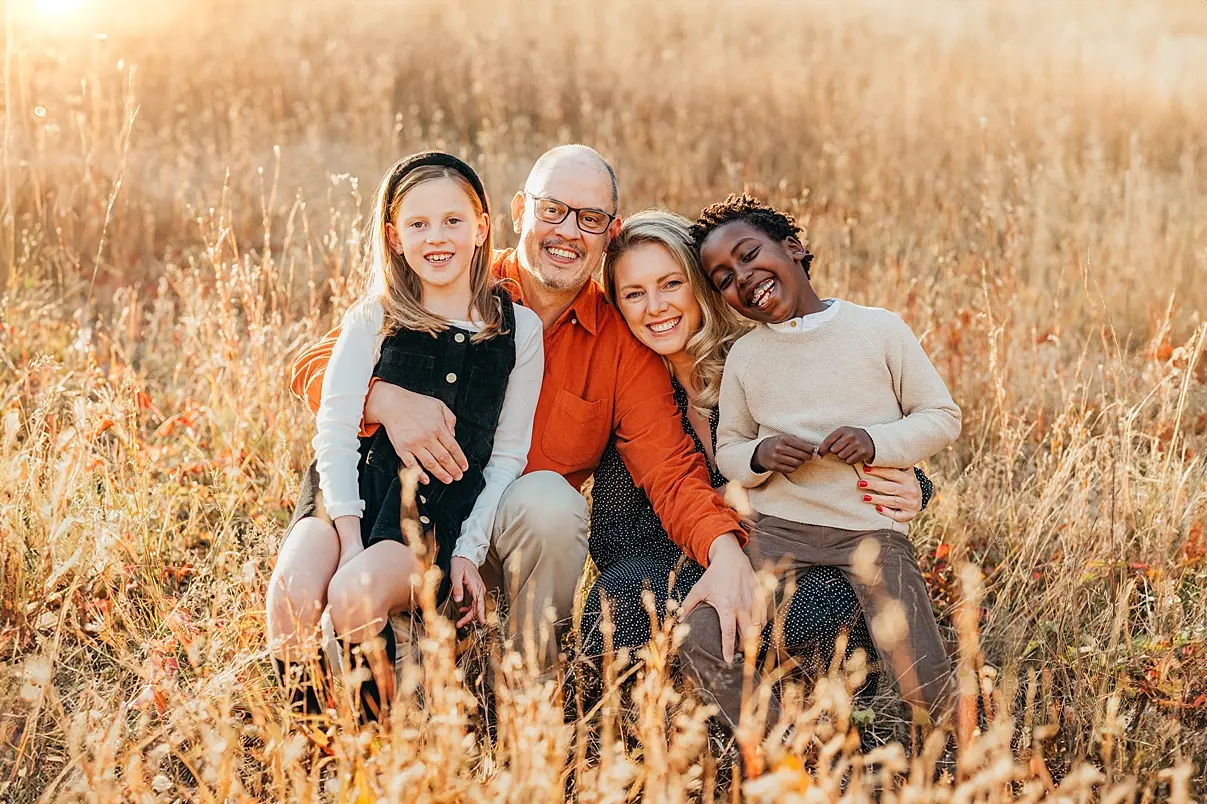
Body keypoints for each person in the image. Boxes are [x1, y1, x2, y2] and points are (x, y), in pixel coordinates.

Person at [288, 145, 760, 673]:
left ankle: (525, 678)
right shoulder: (452, 273)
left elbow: (669, 467)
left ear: (610, 231)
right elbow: (316, 362)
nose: (567, 232)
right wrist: (387, 401)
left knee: (549, 500)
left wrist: (724, 550)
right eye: (552, 210)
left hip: (499, 541)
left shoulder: (619, 343)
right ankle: (399, 652)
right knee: (382, 688)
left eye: (590, 218)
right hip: (402, 522)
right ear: (519, 212)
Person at [578, 209, 932, 726]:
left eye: (671, 283)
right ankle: (713, 697)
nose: (656, 307)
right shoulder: (629, 393)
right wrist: (714, 561)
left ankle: (784, 702)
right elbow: (617, 540)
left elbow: (845, 445)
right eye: (634, 293)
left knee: (829, 605)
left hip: (799, 564)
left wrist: (916, 485)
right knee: (617, 610)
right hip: (673, 565)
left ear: (701, 286)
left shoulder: (763, 362)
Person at [266, 152, 544, 721]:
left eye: (452, 221)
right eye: (418, 224)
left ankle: (375, 741)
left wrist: (468, 551)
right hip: (343, 498)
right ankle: (312, 736)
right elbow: (337, 430)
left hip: (424, 522)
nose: (436, 238)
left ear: (482, 227)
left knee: (354, 595)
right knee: (291, 593)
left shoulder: (519, 331)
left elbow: (507, 457)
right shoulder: (375, 315)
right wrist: (346, 537)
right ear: (394, 237)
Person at [688, 193, 962, 728]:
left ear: (793, 248)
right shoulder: (746, 356)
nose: (741, 277)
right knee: (701, 635)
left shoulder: (878, 329)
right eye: (723, 277)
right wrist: (762, 455)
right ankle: (779, 754)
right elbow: (730, 452)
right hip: (775, 531)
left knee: (920, 671)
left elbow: (941, 415)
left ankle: (959, 761)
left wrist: (875, 441)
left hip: (868, 531)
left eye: (748, 255)